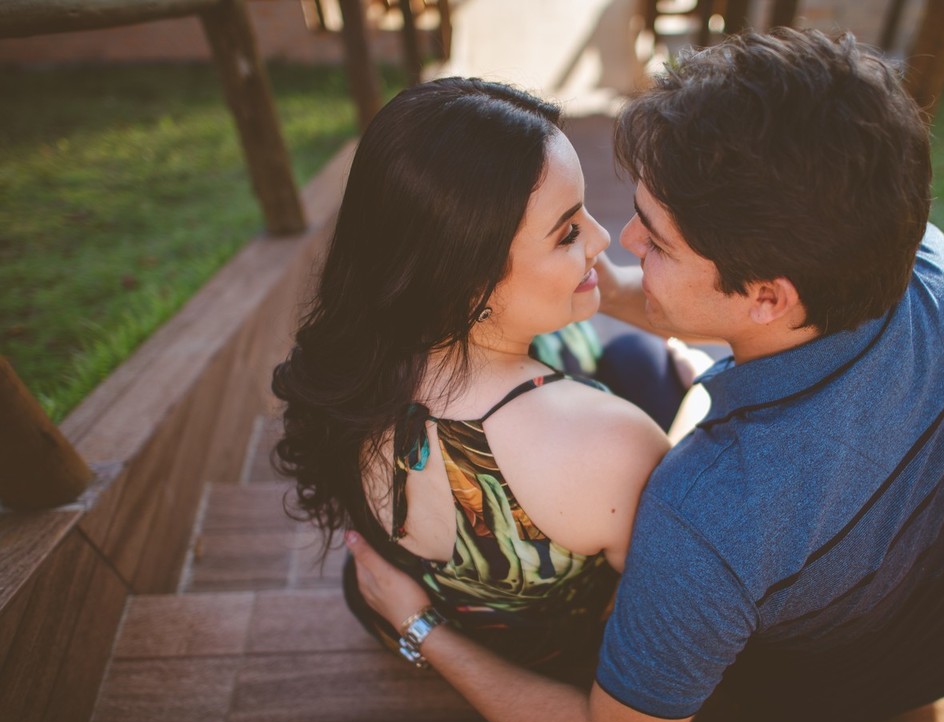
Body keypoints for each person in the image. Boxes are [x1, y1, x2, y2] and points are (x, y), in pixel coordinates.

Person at [346, 27, 944, 722]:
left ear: (769, 296)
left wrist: (417, 625)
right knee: (638, 360)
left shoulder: (700, 515)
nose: (622, 239)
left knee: (630, 379)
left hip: (820, 693)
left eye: (657, 241)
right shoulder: (926, 262)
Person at [271, 77, 670, 671]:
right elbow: (661, 620)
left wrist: (581, 278)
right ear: (468, 280)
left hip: (427, 612)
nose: (603, 237)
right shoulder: (615, 444)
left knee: (628, 355)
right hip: (550, 665)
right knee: (650, 363)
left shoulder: (346, 371)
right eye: (568, 231)